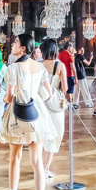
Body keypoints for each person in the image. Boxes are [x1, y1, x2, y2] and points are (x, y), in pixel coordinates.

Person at [0, 34, 56, 190]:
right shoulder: (39, 67)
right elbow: (48, 93)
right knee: (37, 162)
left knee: (15, 158)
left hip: (17, 114)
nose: (12, 44)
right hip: (35, 114)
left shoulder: (13, 67)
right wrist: (36, 99)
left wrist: (5, 99)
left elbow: (9, 96)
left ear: (22, 48)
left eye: (15, 42)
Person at [40, 39, 68, 180]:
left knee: (41, 135)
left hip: (40, 104)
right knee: (54, 136)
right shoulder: (60, 65)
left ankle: (39, 167)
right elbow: (65, 88)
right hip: (55, 106)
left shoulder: (38, 65)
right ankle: (45, 169)